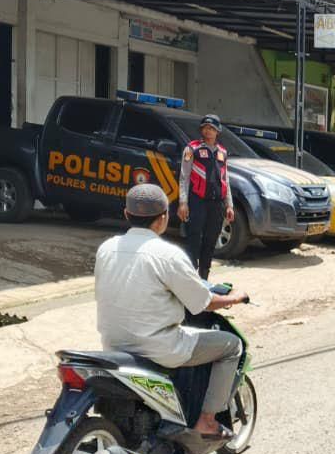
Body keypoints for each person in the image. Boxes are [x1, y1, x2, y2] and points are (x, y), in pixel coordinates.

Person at [95, 184, 249, 439]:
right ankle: (207, 421)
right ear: (164, 218)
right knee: (231, 346)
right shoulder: (168, 255)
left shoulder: (106, 248)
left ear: (126, 214)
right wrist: (234, 297)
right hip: (159, 347)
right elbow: (203, 302)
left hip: (114, 345)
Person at [178, 114, 234, 280]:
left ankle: (204, 278)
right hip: (197, 200)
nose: (208, 131)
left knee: (210, 241)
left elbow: (226, 179)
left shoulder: (222, 152)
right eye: (205, 128)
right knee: (193, 238)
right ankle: (190, 276)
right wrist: (183, 202)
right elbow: (184, 177)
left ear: (218, 131)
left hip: (217, 203)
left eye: (212, 128)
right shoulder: (192, 149)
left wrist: (229, 205)